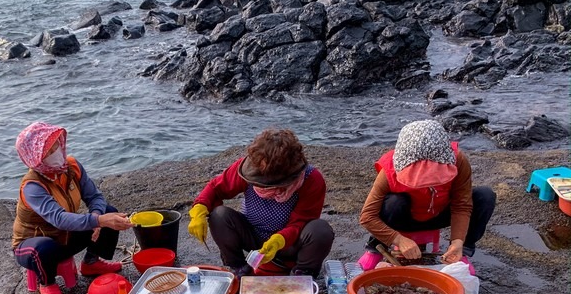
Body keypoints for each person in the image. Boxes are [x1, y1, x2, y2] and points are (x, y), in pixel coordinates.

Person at [12, 122, 132, 294]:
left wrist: (99, 216)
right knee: (42, 248)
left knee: (110, 212)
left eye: (56, 145)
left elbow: (94, 196)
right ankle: (47, 283)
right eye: (48, 151)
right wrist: (97, 220)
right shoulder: (32, 186)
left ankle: (91, 262)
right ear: (35, 158)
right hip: (33, 244)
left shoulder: (71, 166)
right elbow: (59, 219)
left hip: (65, 237)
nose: (56, 151)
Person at [187, 128, 334, 278]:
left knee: (320, 230)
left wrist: (278, 241)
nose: (263, 185)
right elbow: (215, 188)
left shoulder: (311, 179)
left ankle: (302, 273)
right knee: (219, 215)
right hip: (253, 236)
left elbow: (300, 222)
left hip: (288, 244)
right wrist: (199, 210)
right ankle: (239, 267)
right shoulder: (249, 168)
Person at [359, 119, 496, 270]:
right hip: (404, 218)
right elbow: (367, 216)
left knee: (484, 196)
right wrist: (397, 239)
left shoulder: (458, 161)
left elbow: (461, 206)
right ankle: (375, 249)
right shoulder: (390, 170)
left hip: (439, 214)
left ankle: (461, 253)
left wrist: (458, 241)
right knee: (393, 202)